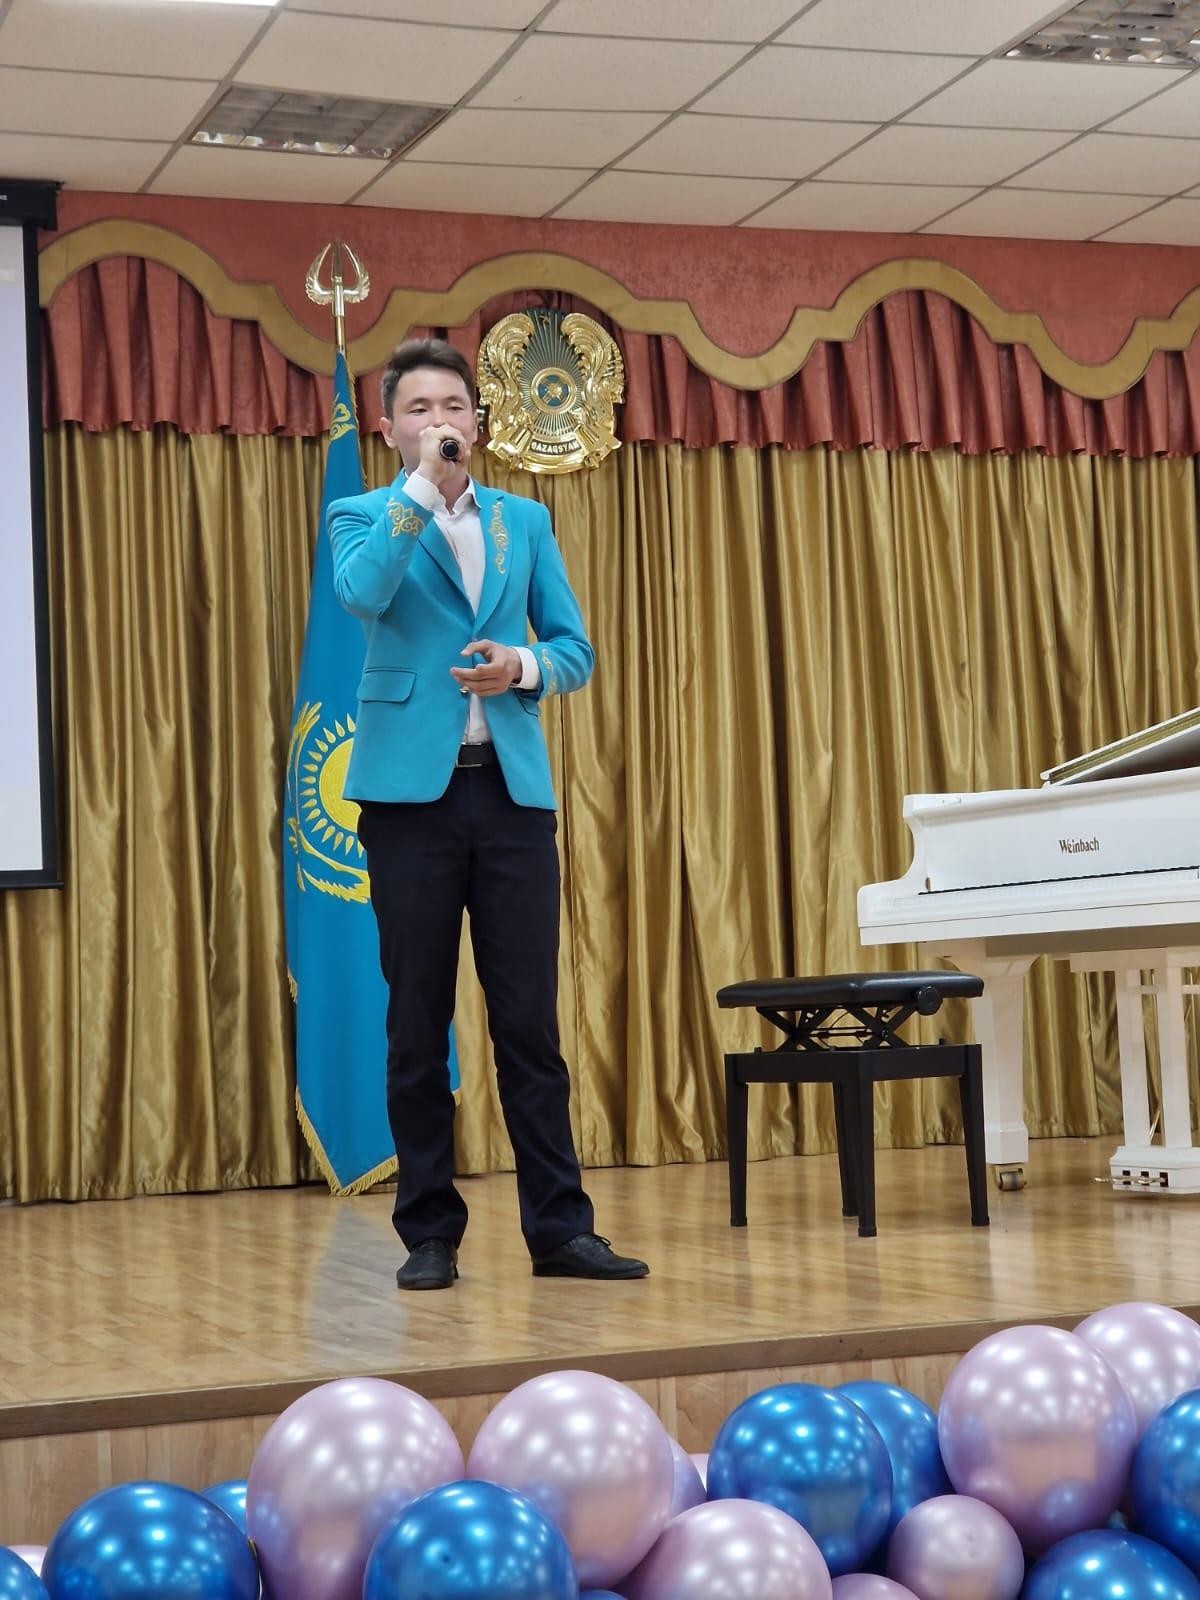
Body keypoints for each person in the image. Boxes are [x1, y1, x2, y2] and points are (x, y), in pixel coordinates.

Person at [328, 338, 648, 1291]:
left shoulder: (525, 521)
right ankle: (429, 1232)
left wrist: (524, 666)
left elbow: (575, 649)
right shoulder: (363, 513)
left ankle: (560, 1229)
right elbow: (362, 593)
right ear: (390, 428)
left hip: (509, 798)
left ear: (479, 419)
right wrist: (418, 494)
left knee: (529, 1026)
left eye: (453, 407)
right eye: (418, 409)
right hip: (409, 806)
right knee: (417, 1024)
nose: (440, 422)